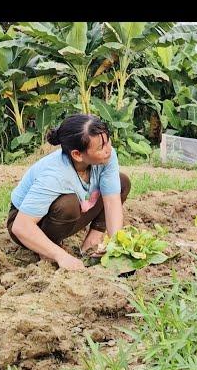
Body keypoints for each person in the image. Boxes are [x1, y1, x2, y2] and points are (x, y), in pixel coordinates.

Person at [7, 114, 131, 271]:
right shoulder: (55, 174)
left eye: (107, 141)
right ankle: (48, 248)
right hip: (27, 222)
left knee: (121, 182)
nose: (108, 149)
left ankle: (92, 241)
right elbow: (21, 226)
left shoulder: (107, 157)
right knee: (68, 204)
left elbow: (112, 201)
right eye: (101, 147)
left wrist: (117, 246)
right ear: (77, 155)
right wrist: (61, 256)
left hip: (65, 212)